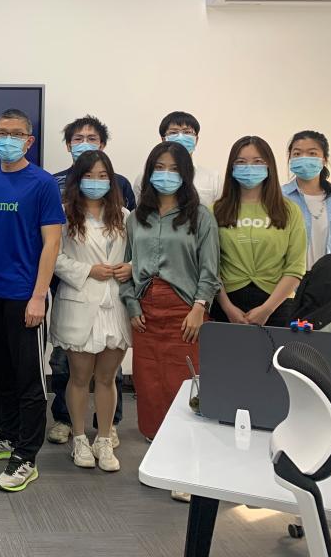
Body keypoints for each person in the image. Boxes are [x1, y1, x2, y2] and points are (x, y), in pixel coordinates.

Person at [0, 109, 64, 493]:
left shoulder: (42, 183)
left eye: (15, 133)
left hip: (25, 296)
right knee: (2, 372)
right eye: (1, 132)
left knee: (29, 379)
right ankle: (8, 435)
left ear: (29, 140)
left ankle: (26, 456)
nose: (7, 139)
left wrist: (39, 296)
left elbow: (52, 243)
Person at [121, 142, 218, 463]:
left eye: (174, 169)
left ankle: (185, 453)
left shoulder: (200, 216)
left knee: (183, 379)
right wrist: (132, 305)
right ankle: (156, 450)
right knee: (148, 380)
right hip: (145, 309)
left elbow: (210, 269)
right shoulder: (136, 218)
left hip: (185, 310)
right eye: (159, 168)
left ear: (186, 174)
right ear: (149, 173)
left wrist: (199, 308)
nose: (166, 174)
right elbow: (126, 265)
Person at [48, 115, 132, 446]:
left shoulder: (124, 215)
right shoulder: (63, 212)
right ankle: (78, 435)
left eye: (102, 176)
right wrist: (86, 271)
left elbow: (140, 255)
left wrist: (130, 267)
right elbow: (52, 256)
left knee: (108, 378)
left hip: (114, 304)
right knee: (76, 375)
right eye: (88, 176)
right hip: (78, 300)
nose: (96, 181)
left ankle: (106, 435)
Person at [212, 136, 306, 328]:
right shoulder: (214, 210)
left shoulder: (289, 210)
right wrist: (227, 307)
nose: (249, 168)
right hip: (226, 304)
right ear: (231, 167)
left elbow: (295, 267)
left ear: (269, 166)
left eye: (257, 162)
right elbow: (210, 266)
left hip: (276, 304)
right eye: (241, 162)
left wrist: (267, 309)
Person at [283, 131, 331, 270]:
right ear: (290, 158)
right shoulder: (279, 197)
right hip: (290, 279)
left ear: (324, 159)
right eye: (297, 153)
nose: (304, 158)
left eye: (312, 153)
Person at [133, 111, 223, 207]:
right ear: (163, 140)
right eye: (173, 132)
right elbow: (140, 210)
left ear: (196, 139)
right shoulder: (145, 177)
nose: (181, 137)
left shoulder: (213, 179)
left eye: (187, 132)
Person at [53, 115, 136, 209]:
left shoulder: (120, 183)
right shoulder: (54, 182)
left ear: (101, 146)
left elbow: (130, 216)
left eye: (91, 139)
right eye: (78, 139)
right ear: (69, 146)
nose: (84, 144)